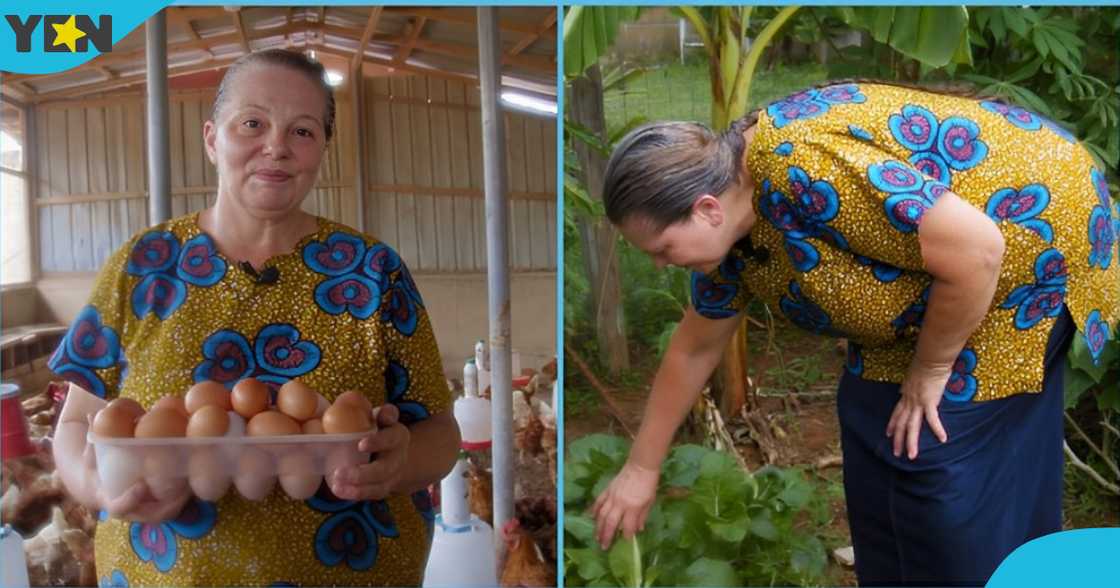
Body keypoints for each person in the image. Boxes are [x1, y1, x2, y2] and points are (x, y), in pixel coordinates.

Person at [591, 80, 1119, 585]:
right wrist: (641, 469)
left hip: (1026, 238)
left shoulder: (802, 168)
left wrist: (931, 368)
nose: (661, 266)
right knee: (872, 418)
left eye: (661, 250)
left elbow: (977, 249)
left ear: (705, 209)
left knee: (939, 452)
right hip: (943, 271)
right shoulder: (729, 232)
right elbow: (693, 348)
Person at [48, 49, 461, 586]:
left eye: (303, 131)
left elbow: (440, 432)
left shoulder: (372, 270)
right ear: (212, 138)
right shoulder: (143, 264)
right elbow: (78, 423)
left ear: (322, 150)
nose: (276, 147)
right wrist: (98, 486)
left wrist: (398, 464)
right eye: (252, 123)